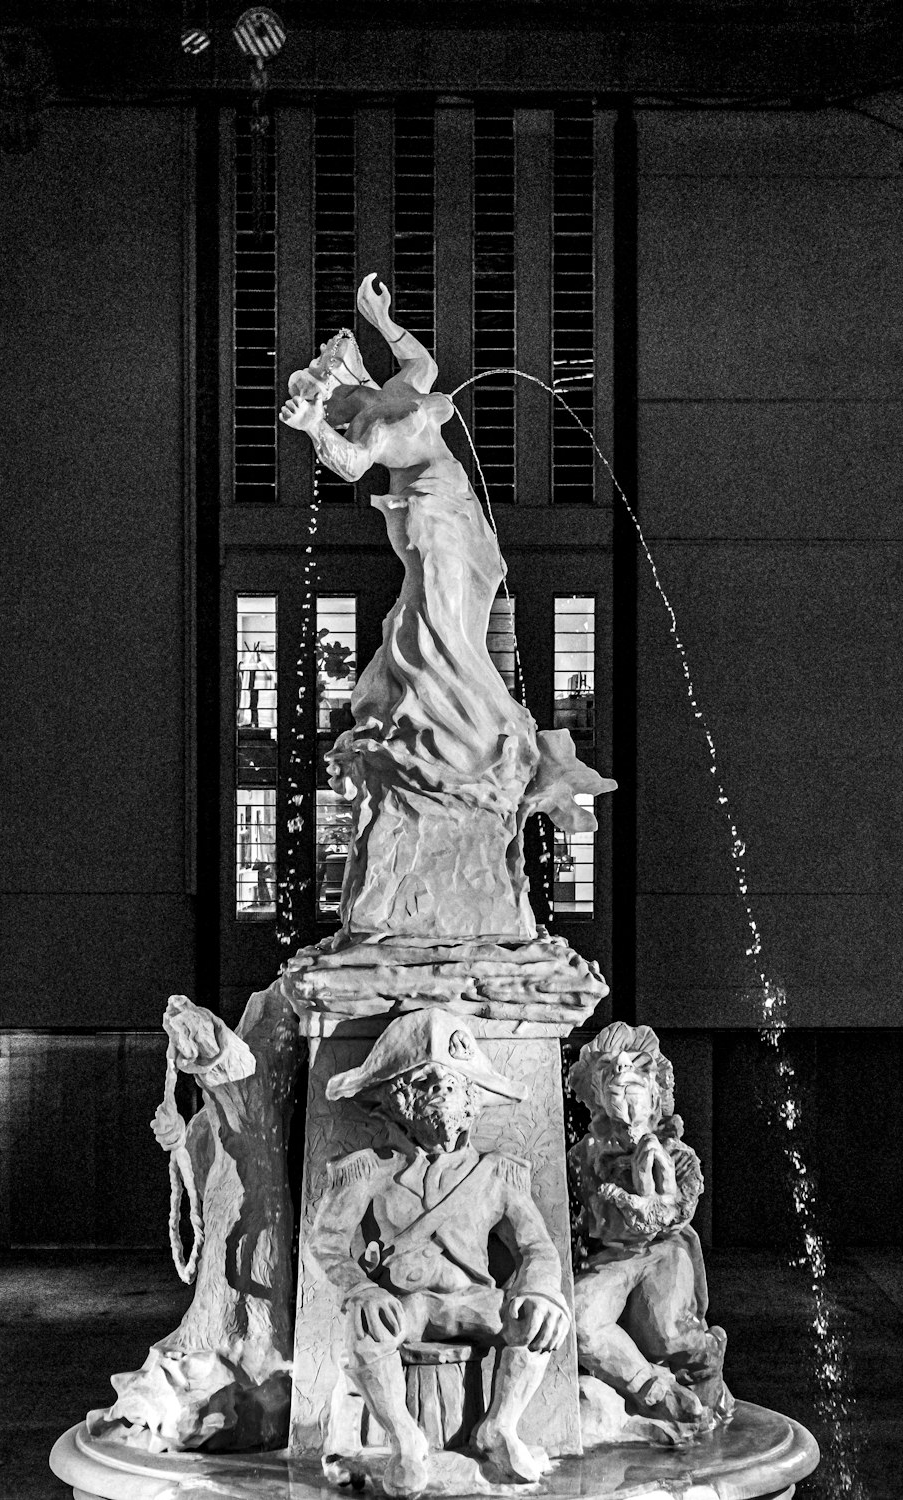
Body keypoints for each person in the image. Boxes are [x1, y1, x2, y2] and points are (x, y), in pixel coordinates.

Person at [280, 276, 614, 940]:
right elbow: (348, 466)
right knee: (431, 631)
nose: (331, 364)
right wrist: (316, 425)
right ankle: (458, 734)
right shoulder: (369, 422)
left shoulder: (395, 391)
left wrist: (381, 319)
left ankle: (476, 730)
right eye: (325, 373)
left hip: (458, 514)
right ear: (336, 388)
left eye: (329, 362)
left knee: (451, 627)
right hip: (428, 521)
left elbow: (421, 363)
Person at [307, 1010, 570, 1496]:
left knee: (536, 1323)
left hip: (476, 1301)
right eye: (426, 1081)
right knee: (366, 1331)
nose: (443, 1092)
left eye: (454, 1083)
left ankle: (500, 1427)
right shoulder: (366, 1172)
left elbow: (537, 1247)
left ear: (472, 1097)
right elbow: (324, 1244)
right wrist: (361, 1290)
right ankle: (405, 1440)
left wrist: (540, 1291)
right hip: (407, 1305)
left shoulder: (497, 1174)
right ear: (397, 1097)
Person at [566, 1024, 733, 1441]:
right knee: (580, 1321)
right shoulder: (584, 1156)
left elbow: (672, 1211)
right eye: (615, 1090)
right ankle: (658, 1393)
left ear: (655, 1095)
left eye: (635, 1088)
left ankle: (707, 1363)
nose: (625, 1100)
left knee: (665, 1332)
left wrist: (654, 1175)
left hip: (664, 1251)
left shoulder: (677, 1155)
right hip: (615, 1257)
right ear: (599, 1100)